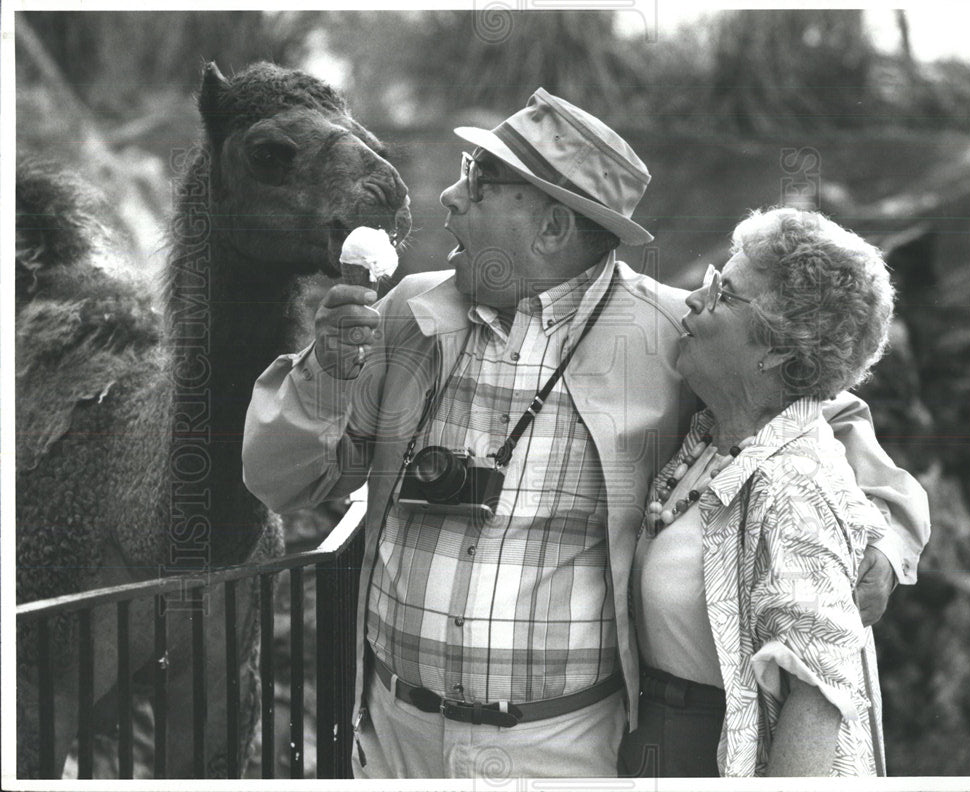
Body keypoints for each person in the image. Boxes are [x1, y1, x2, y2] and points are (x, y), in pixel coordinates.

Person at [242, 90, 929, 779]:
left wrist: (890, 536)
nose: (449, 196)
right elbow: (279, 481)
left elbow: (816, 416)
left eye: (478, 179)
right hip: (396, 739)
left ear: (549, 228)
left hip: (564, 751)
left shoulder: (672, 336)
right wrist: (324, 375)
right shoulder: (402, 316)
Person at [619, 207, 905, 777]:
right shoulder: (716, 437)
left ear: (776, 349)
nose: (694, 300)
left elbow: (820, 690)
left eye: (723, 293)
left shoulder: (795, 481)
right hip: (653, 741)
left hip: (717, 757)